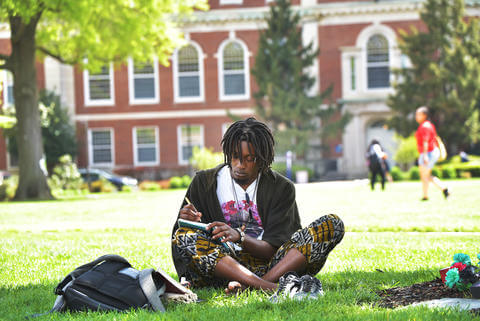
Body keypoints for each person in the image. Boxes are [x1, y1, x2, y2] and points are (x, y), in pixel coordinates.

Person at [171, 117, 344, 295]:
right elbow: (185, 241)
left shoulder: (281, 187)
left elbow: (275, 249)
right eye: (235, 157)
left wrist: (240, 237)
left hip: (273, 265)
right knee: (184, 235)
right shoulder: (204, 182)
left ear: (262, 159)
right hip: (224, 266)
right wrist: (186, 219)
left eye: (249, 159)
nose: (239, 165)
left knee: (332, 224)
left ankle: (255, 285)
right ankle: (270, 287)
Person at [415, 106, 449, 200]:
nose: (416, 116)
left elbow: (425, 141)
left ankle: (426, 195)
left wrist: (425, 156)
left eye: (418, 114)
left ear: (424, 115)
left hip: (428, 153)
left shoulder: (425, 126)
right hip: (429, 152)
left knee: (425, 176)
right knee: (425, 175)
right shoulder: (428, 125)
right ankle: (443, 189)